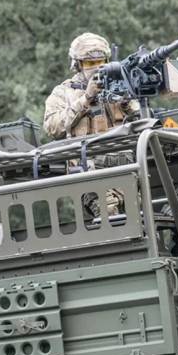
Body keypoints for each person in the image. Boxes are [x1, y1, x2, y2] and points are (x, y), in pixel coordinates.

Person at [43, 33, 140, 218]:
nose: (96, 68)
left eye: (100, 61)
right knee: (109, 215)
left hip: (126, 169)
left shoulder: (119, 85)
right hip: (89, 172)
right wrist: (86, 99)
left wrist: (128, 104)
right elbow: (53, 127)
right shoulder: (63, 92)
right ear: (77, 65)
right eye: (89, 63)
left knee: (139, 219)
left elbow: (143, 122)